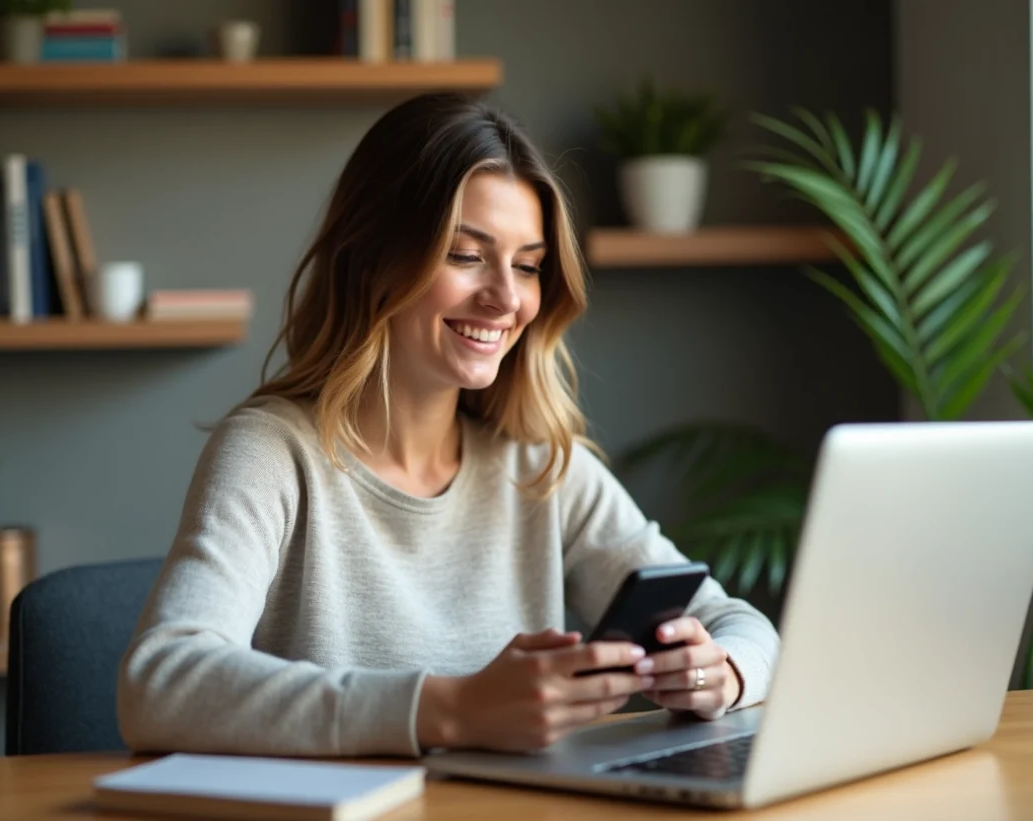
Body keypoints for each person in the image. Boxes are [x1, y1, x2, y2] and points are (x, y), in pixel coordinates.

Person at [117, 92, 780, 759]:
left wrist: (718, 670)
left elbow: (740, 624)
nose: (506, 297)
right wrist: (452, 708)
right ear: (373, 259)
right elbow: (160, 682)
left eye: (527, 265)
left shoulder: (541, 466)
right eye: (465, 255)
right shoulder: (270, 452)